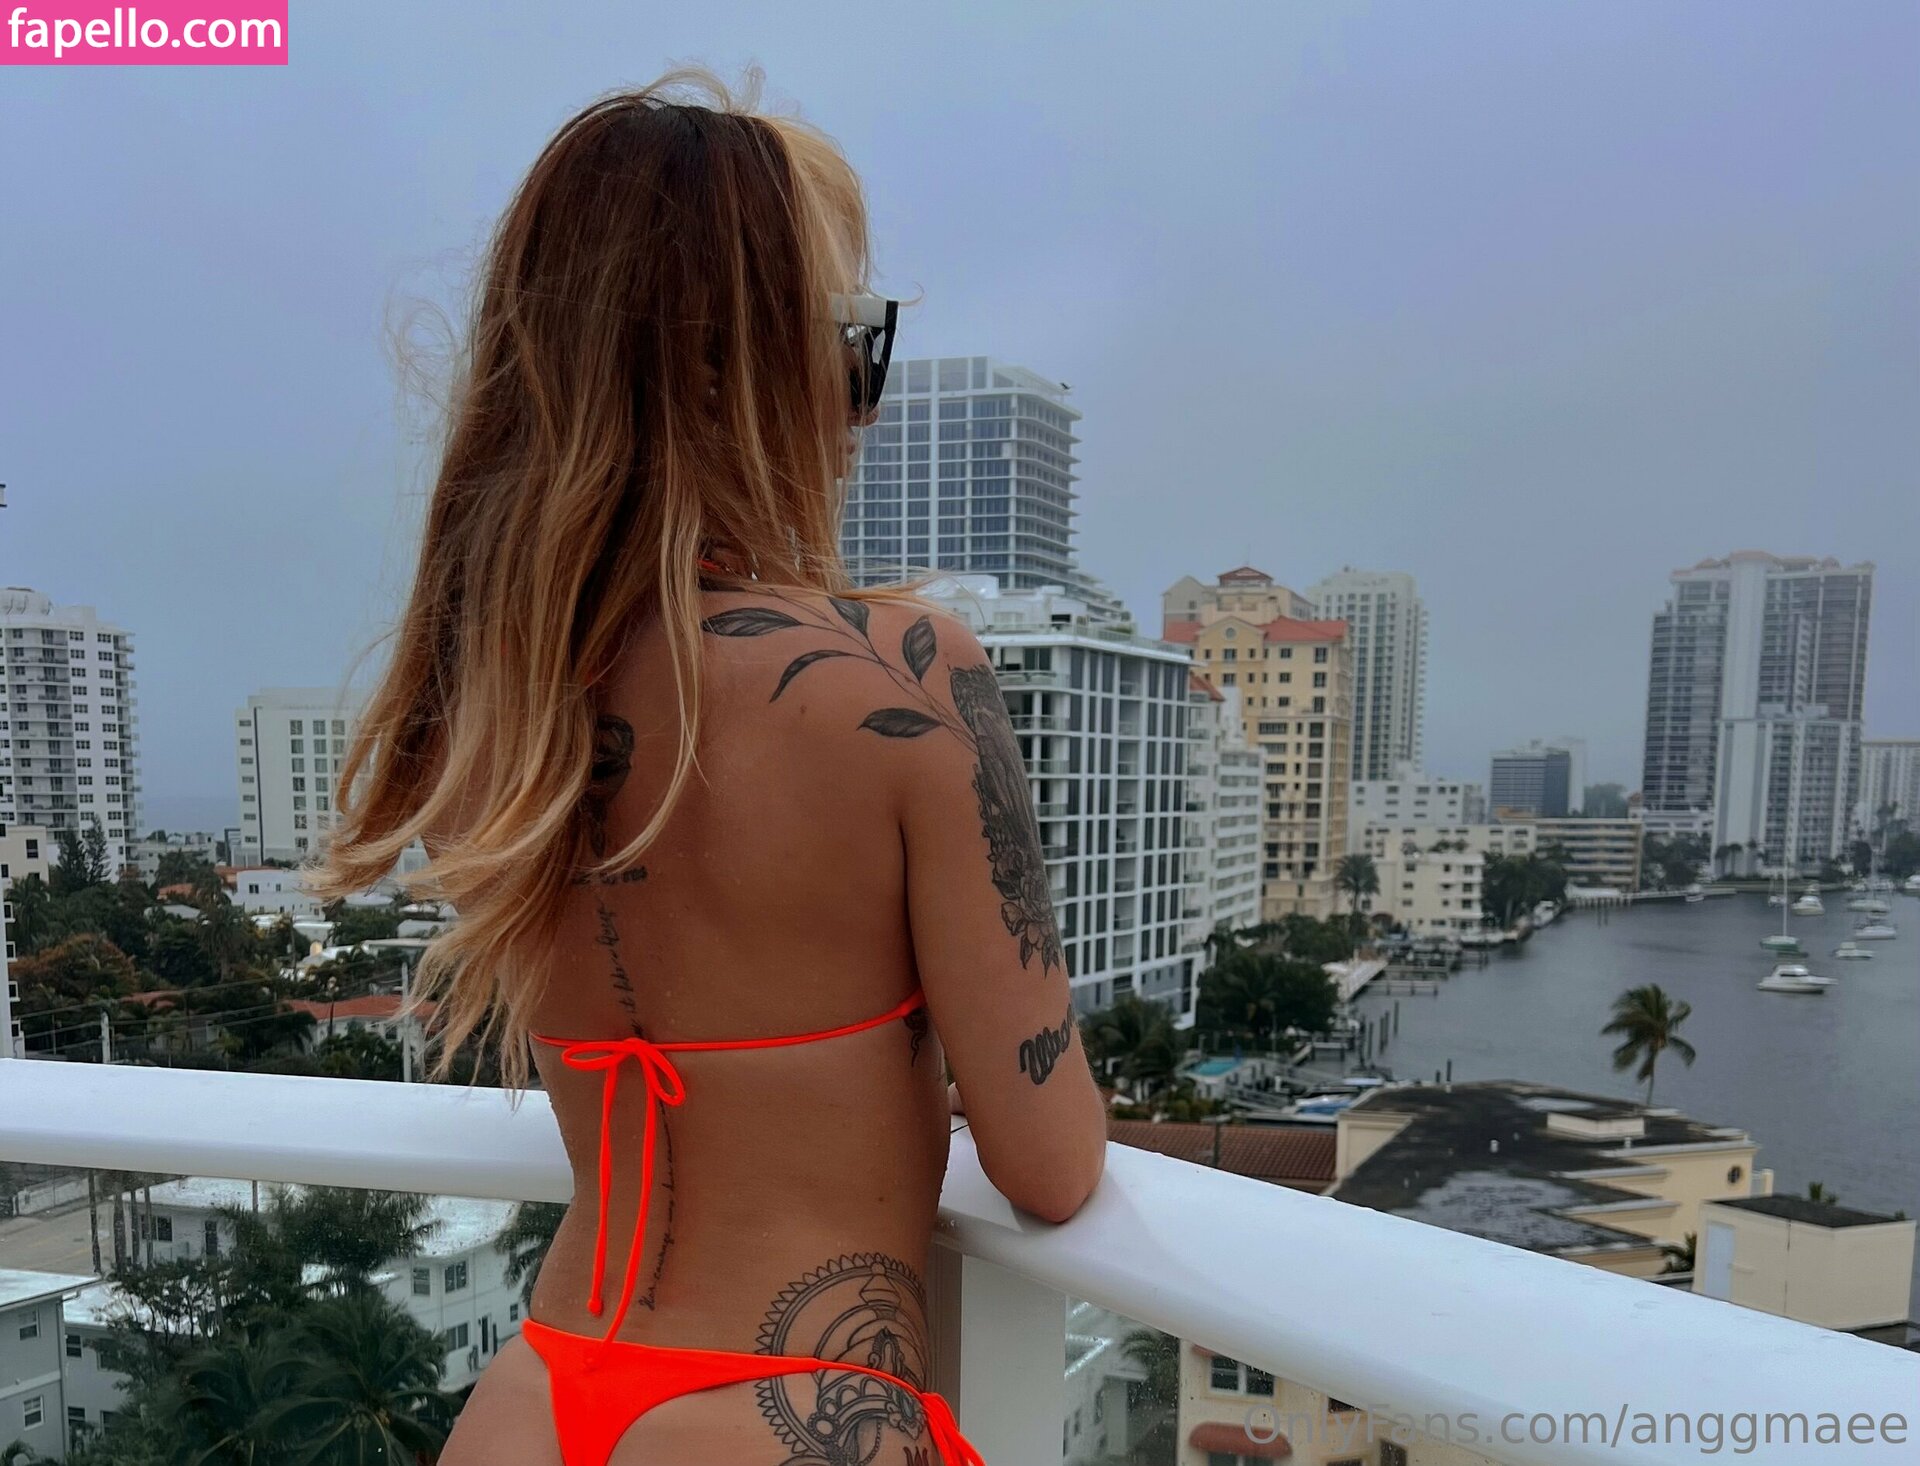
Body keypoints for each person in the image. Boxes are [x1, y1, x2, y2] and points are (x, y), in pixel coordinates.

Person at [314, 71, 1106, 1466]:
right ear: (753, 372)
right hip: (794, 1410)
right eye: (850, 347)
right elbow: (1049, 1163)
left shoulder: (493, 696)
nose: (860, 408)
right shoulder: (901, 677)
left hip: (535, 1398)